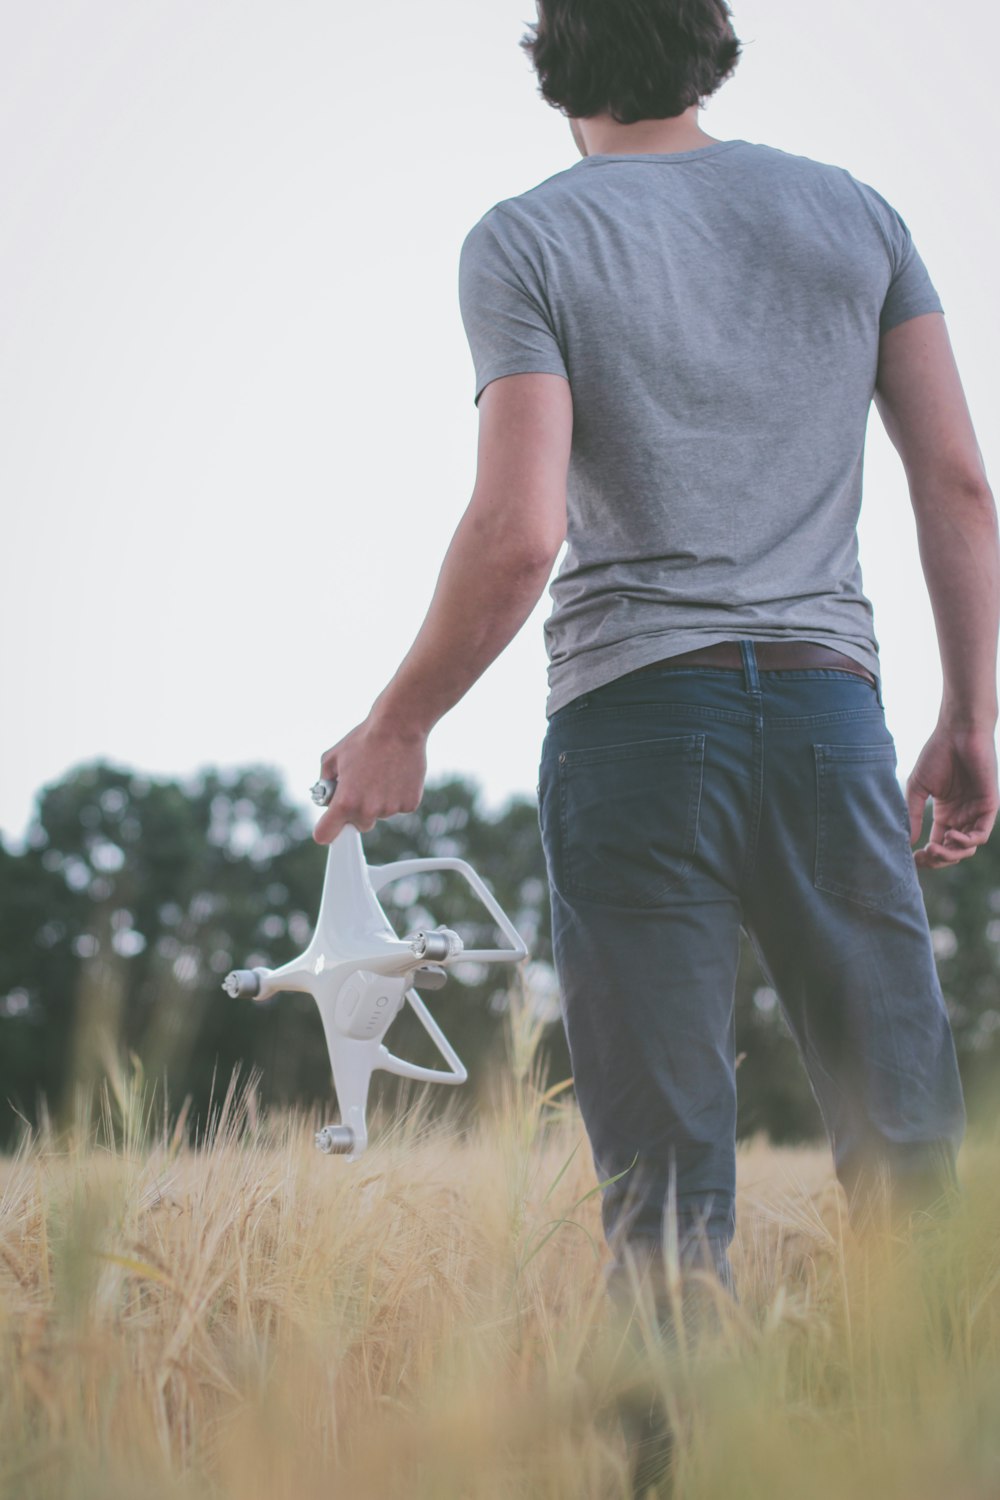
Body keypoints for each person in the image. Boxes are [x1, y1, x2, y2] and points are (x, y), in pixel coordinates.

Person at [313, 0, 999, 1483]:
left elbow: (518, 530)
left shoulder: (529, 238)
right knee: (909, 1144)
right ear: (711, 52)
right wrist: (970, 713)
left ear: (554, 68)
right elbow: (957, 482)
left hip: (636, 734)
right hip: (831, 714)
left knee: (666, 1179)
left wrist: (397, 724)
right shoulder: (854, 215)